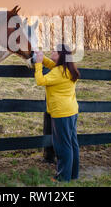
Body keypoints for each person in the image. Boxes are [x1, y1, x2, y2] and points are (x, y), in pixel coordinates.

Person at [34, 44, 81, 182]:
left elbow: (40, 80)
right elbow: (51, 64)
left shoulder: (58, 72)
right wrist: (41, 58)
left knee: (62, 146)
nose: (52, 51)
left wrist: (37, 64)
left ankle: (62, 177)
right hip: (72, 111)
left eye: (54, 51)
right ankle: (73, 174)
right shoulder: (68, 69)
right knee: (72, 144)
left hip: (61, 114)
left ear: (60, 55)